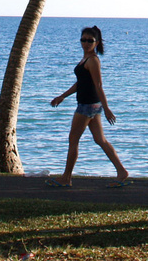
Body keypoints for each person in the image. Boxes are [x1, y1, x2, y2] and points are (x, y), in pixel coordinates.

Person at [48, 25, 129, 186]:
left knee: (73, 139)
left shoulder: (93, 60)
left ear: (97, 43)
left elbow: (98, 85)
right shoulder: (85, 59)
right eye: (83, 40)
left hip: (87, 106)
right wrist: (62, 96)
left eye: (90, 41)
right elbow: (81, 83)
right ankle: (122, 172)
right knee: (100, 140)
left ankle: (66, 178)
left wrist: (106, 109)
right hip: (91, 105)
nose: (86, 43)